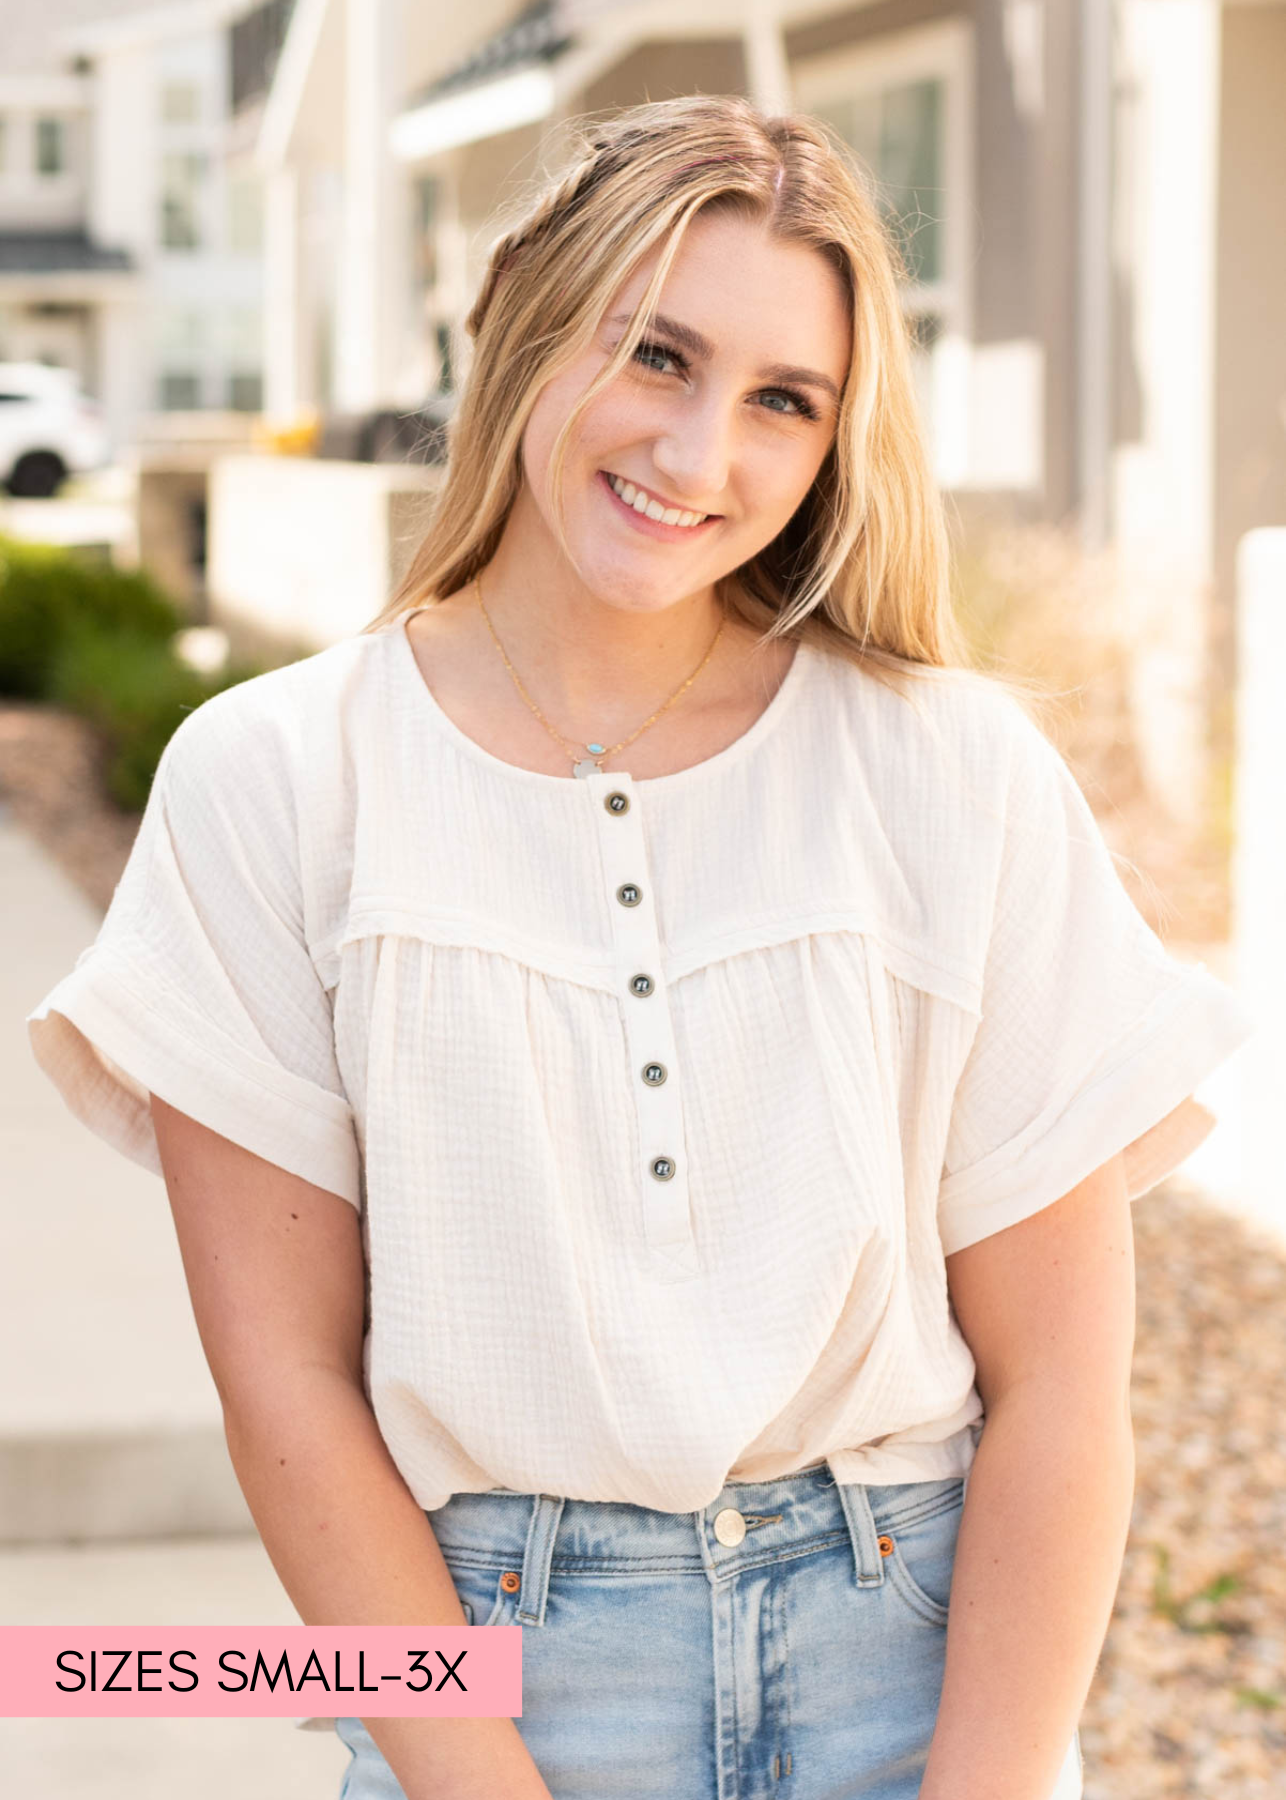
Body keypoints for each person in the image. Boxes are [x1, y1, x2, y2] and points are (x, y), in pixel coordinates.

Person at [27, 93, 1253, 1800]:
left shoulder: (944, 768)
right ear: (522, 314)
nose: (700, 458)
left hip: (911, 1660)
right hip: (489, 1679)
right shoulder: (278, 780)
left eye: (781, 402)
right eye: (656, 356)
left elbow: (1058, 1384)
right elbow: (287, 1386)